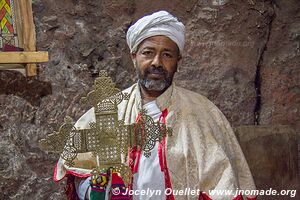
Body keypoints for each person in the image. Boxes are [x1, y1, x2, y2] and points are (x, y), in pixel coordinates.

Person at [54, 11, 257, 200]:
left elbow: (225, 184)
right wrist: (101, 189)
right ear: (134, 57)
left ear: (178, 61)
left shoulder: (204, 113)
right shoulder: (105, 112)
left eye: (167, 55)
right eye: (148, 53)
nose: (157, 62)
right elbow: (79, 175)